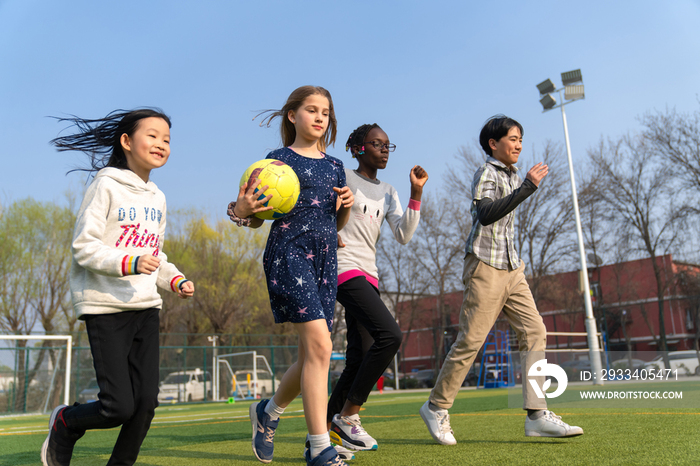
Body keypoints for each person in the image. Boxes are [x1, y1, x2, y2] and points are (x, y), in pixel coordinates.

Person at [42, 109, 195, 466]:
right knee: (118, 407)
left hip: (145, 307)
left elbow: (154, 254)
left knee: (145, 406)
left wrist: (174, 279)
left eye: (167, 139)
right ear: (126, 141)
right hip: (106, 307)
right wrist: (130, 263)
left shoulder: (157, 197)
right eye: (153, 136)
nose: (161, 144)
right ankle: (66, 422)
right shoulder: (105, 185)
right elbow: (84, 247)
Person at [419, 115, 583, 445]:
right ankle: (436, 407)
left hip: (512, 268)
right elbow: (486, 212)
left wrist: (523, 185)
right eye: (512, 138)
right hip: (485, 266)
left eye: (521, 138)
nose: (519, 144)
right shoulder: (488, 172)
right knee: (471, 341)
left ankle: (536, 415)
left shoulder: (512, 175)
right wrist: (528, 188)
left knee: (535, 330)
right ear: (494, 144)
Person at [228, 85, 354, 466]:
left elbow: (337, 224)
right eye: (311, 110)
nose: (319, 117)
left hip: (326, 260)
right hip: (288, 254)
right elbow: (248, 217)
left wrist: (344, 207)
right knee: (320, 346)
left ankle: (268, 411)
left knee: (313, 352)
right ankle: (319, 448)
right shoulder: (276, 161)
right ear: (292, 116)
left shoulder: (335, 167)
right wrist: (241, 208)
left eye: (325, 113)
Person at [326, 124, 428, 453]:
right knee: (391, 336)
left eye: (388, 145)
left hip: (369, 275)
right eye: (376, 144)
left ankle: (322, 437)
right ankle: (350, 415)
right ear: (357, 148)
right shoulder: (342, 176)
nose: (384, 150)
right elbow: (322, 211)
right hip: (343, 268)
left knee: (359, 357)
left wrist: (416, 193)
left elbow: (403, 234)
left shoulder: (388, 191)